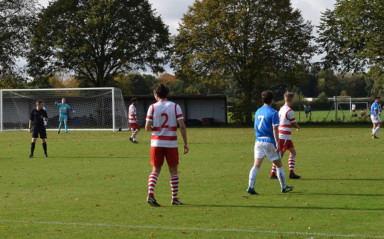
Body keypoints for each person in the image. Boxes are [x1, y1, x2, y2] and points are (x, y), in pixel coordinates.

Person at [145, 84, 189, 207]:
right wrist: (185, 143)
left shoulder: (152, 107)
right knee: (173, 170)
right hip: (171, 143)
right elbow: (182, 125)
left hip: (156, 142)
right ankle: (174, 198)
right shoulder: (175, 106)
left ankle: (150, 194)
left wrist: (154, 129)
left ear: (155, 94)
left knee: (156, 170)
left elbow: (147, 127)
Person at [247, 90, 293, 195]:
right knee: (279, 165)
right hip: (269, 141)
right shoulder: (273, 112)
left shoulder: (258, 111)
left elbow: (255, 126)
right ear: (272, 99)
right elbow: (275, 129)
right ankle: (284, 187)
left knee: (256, 165)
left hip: (258, 141)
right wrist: (277, 143)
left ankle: (250, 187)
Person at [269, 92, 301, 180]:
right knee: (279, 156)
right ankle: (272, 174)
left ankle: (291, 173)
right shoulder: (289, 111)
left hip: (284, 136)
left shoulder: (282, 108)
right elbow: (293, 122)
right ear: (292, 100)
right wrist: (297, 127)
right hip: (284, 136)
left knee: (293, 152)